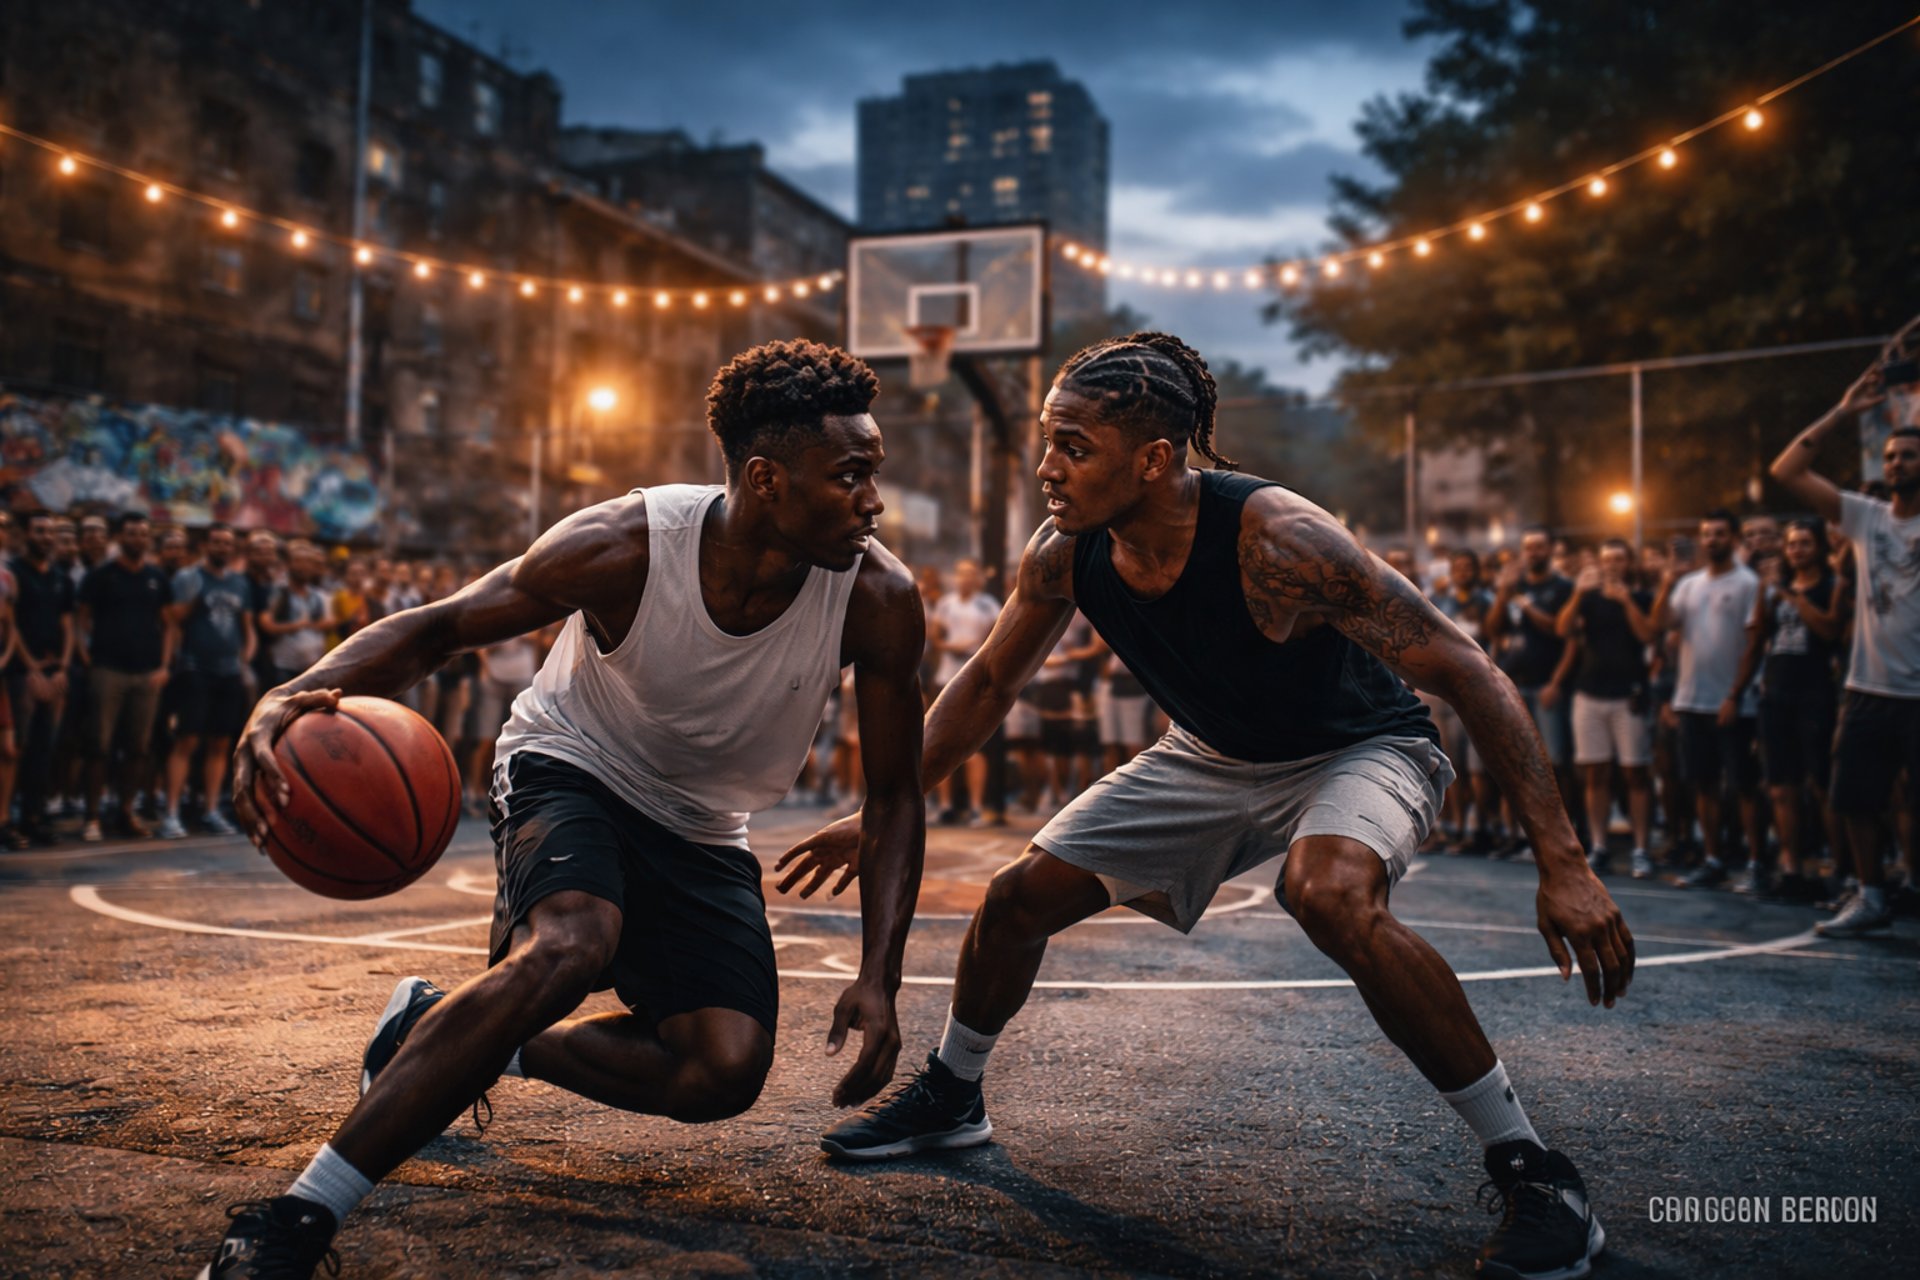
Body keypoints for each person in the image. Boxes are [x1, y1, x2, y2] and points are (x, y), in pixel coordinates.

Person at [778, 332, 1630, 1280]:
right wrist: (881, 807)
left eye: (1073, 446)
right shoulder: (1066, 550)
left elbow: (1467, 666)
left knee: (1330, 894)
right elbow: (984, 684)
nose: (1047, 466)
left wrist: (1564, 859)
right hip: (1209, 756)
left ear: (1153, 459)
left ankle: (1534, 1170)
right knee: (1018, 897)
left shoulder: (1281, 541)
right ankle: (953, 1093)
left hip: (1359, 747)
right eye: (1048, 441)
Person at [198, 339, 928, 1278]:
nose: (874, 499)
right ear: (766, 478)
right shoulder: (626, 544)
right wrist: (294, 690)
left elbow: (897, 795)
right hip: (572, 763)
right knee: (573, 943)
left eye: (874, 474)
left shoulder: (877, 596)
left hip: (703, 823)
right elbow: (441, 626)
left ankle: (463, 1029)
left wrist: (881, 974)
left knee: (722, 1073)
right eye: (851, 474)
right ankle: (293, 1221)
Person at [1769, 356, 1920, 937]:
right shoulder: (1868, 518)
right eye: (1889, 456)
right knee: (1852, 799)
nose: (1896, 462)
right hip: (1867, 689)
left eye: (1907, 455)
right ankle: (1872, 894)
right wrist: (1845, 408)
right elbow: (1788, 468)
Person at [1728, 519, 1847, 900]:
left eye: (1805, 543)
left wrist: (1792, 596)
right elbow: (1758, 640)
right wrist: (1736, 693)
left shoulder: (1832, 585)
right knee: (1781, 788)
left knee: (1821, 785)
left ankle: (1842, 871)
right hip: (1776, 694)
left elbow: (1829, 630)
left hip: (1814, 694)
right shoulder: (1770, 590)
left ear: (1819, 548)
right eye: (1792, 544)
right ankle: (1791, 867)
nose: (1797, 550)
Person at [1651, 511, 1762, 888]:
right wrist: (1667, 584)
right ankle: (1712, 859)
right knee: (1704, 784)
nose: (1712, 540)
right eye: (1706, 534)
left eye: (1719, 534)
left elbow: (1754, 643)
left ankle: (1756, 864)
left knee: (1745, 787)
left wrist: (1735, 694)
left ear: (1733, 538)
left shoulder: (1748, 582)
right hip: (1691, 699)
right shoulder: (1689, 585)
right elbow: (1661, 625)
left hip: (1734, 702)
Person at [1556, 540, 1657, 878]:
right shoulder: (1588, 599)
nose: (1613, 565)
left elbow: (1646, 636)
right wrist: (1578, 594)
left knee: (1636, 774)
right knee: (1594, 773)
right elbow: (1563, 629)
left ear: (1629, 563)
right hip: (1590, 694)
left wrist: (1626, 600)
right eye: (1607, 560)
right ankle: (1599, 846)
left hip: (1628, 695)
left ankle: (1641, 848)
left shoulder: (1641, 597)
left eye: (1619, 559)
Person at [76, 514, 172, 842]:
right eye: (132, 534)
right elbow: (80, 620)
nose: (138, 539)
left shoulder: (156, 577)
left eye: (144, 534)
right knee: (98, 747)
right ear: (120, 536)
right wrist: (88, 659)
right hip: (109, 671)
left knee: (138, 749)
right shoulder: (101, 576)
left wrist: (164, 665)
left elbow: (169, 623)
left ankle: (125, 813)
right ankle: (91, 817)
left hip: (147, 674)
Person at [160, 524, 255, 840]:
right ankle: (171, 814)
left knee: (220, 743)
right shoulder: (189, 577)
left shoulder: (240, 583)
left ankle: (211, 810)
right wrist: (171, 663)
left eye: (227, 543)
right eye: (216, 542)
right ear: (205, 545)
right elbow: (173, 620)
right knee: (186, 740)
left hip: (228, 671)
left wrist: (244, 661)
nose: (222, 547)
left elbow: (247, 628)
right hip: (194, 668)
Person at [1489, 527, 1579, 854]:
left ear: (1551, 549)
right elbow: (1493, 629)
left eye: (1540, 547)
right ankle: (1525, 835)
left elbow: (1564, 634)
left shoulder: (1564, 587)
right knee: (1521, 765)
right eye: (1528, 548)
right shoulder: (1516, 587)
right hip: (1515, 685)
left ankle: (1566, 835)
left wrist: (1556, 682)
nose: (1533, 553)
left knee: (1555, 764)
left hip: (1547, 686)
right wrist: (1503, 595)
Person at [5, 512, 76, 846]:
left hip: (54, 672)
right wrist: (31, 667)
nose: (45, 537)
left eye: (50, 532)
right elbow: (10, 624)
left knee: (44, 749)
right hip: (22, 674)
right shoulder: (13, 573)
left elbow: (67, 624)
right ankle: (9, 819)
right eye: (39, 530)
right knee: (16, 748)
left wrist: (62, 666)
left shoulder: (61, 577)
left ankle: (34, 817)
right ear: (26, 534)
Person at [928, 559, 1002, 823]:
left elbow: (999, 636)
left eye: (970, 574)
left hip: (975, 677)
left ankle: (976, 806)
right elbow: (935, 637)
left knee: (974, 747)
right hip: (946, 675)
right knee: (941, 742)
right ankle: (946, 804)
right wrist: (950, 646)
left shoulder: (988, 604)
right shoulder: (946, 604)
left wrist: (978, 649)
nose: (965, 578)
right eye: (961, 573)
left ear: (979, 578)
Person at [256, 540, 334, 688]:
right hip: (283, 669)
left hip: (311, 669)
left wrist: (311, 624)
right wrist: (295, 626)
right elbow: (266, 624)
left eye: (308, 562)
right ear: (288, 564)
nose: (303, 566)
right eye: (298, 561)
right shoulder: (277, 592)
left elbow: (329, 621)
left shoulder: (317, 595)